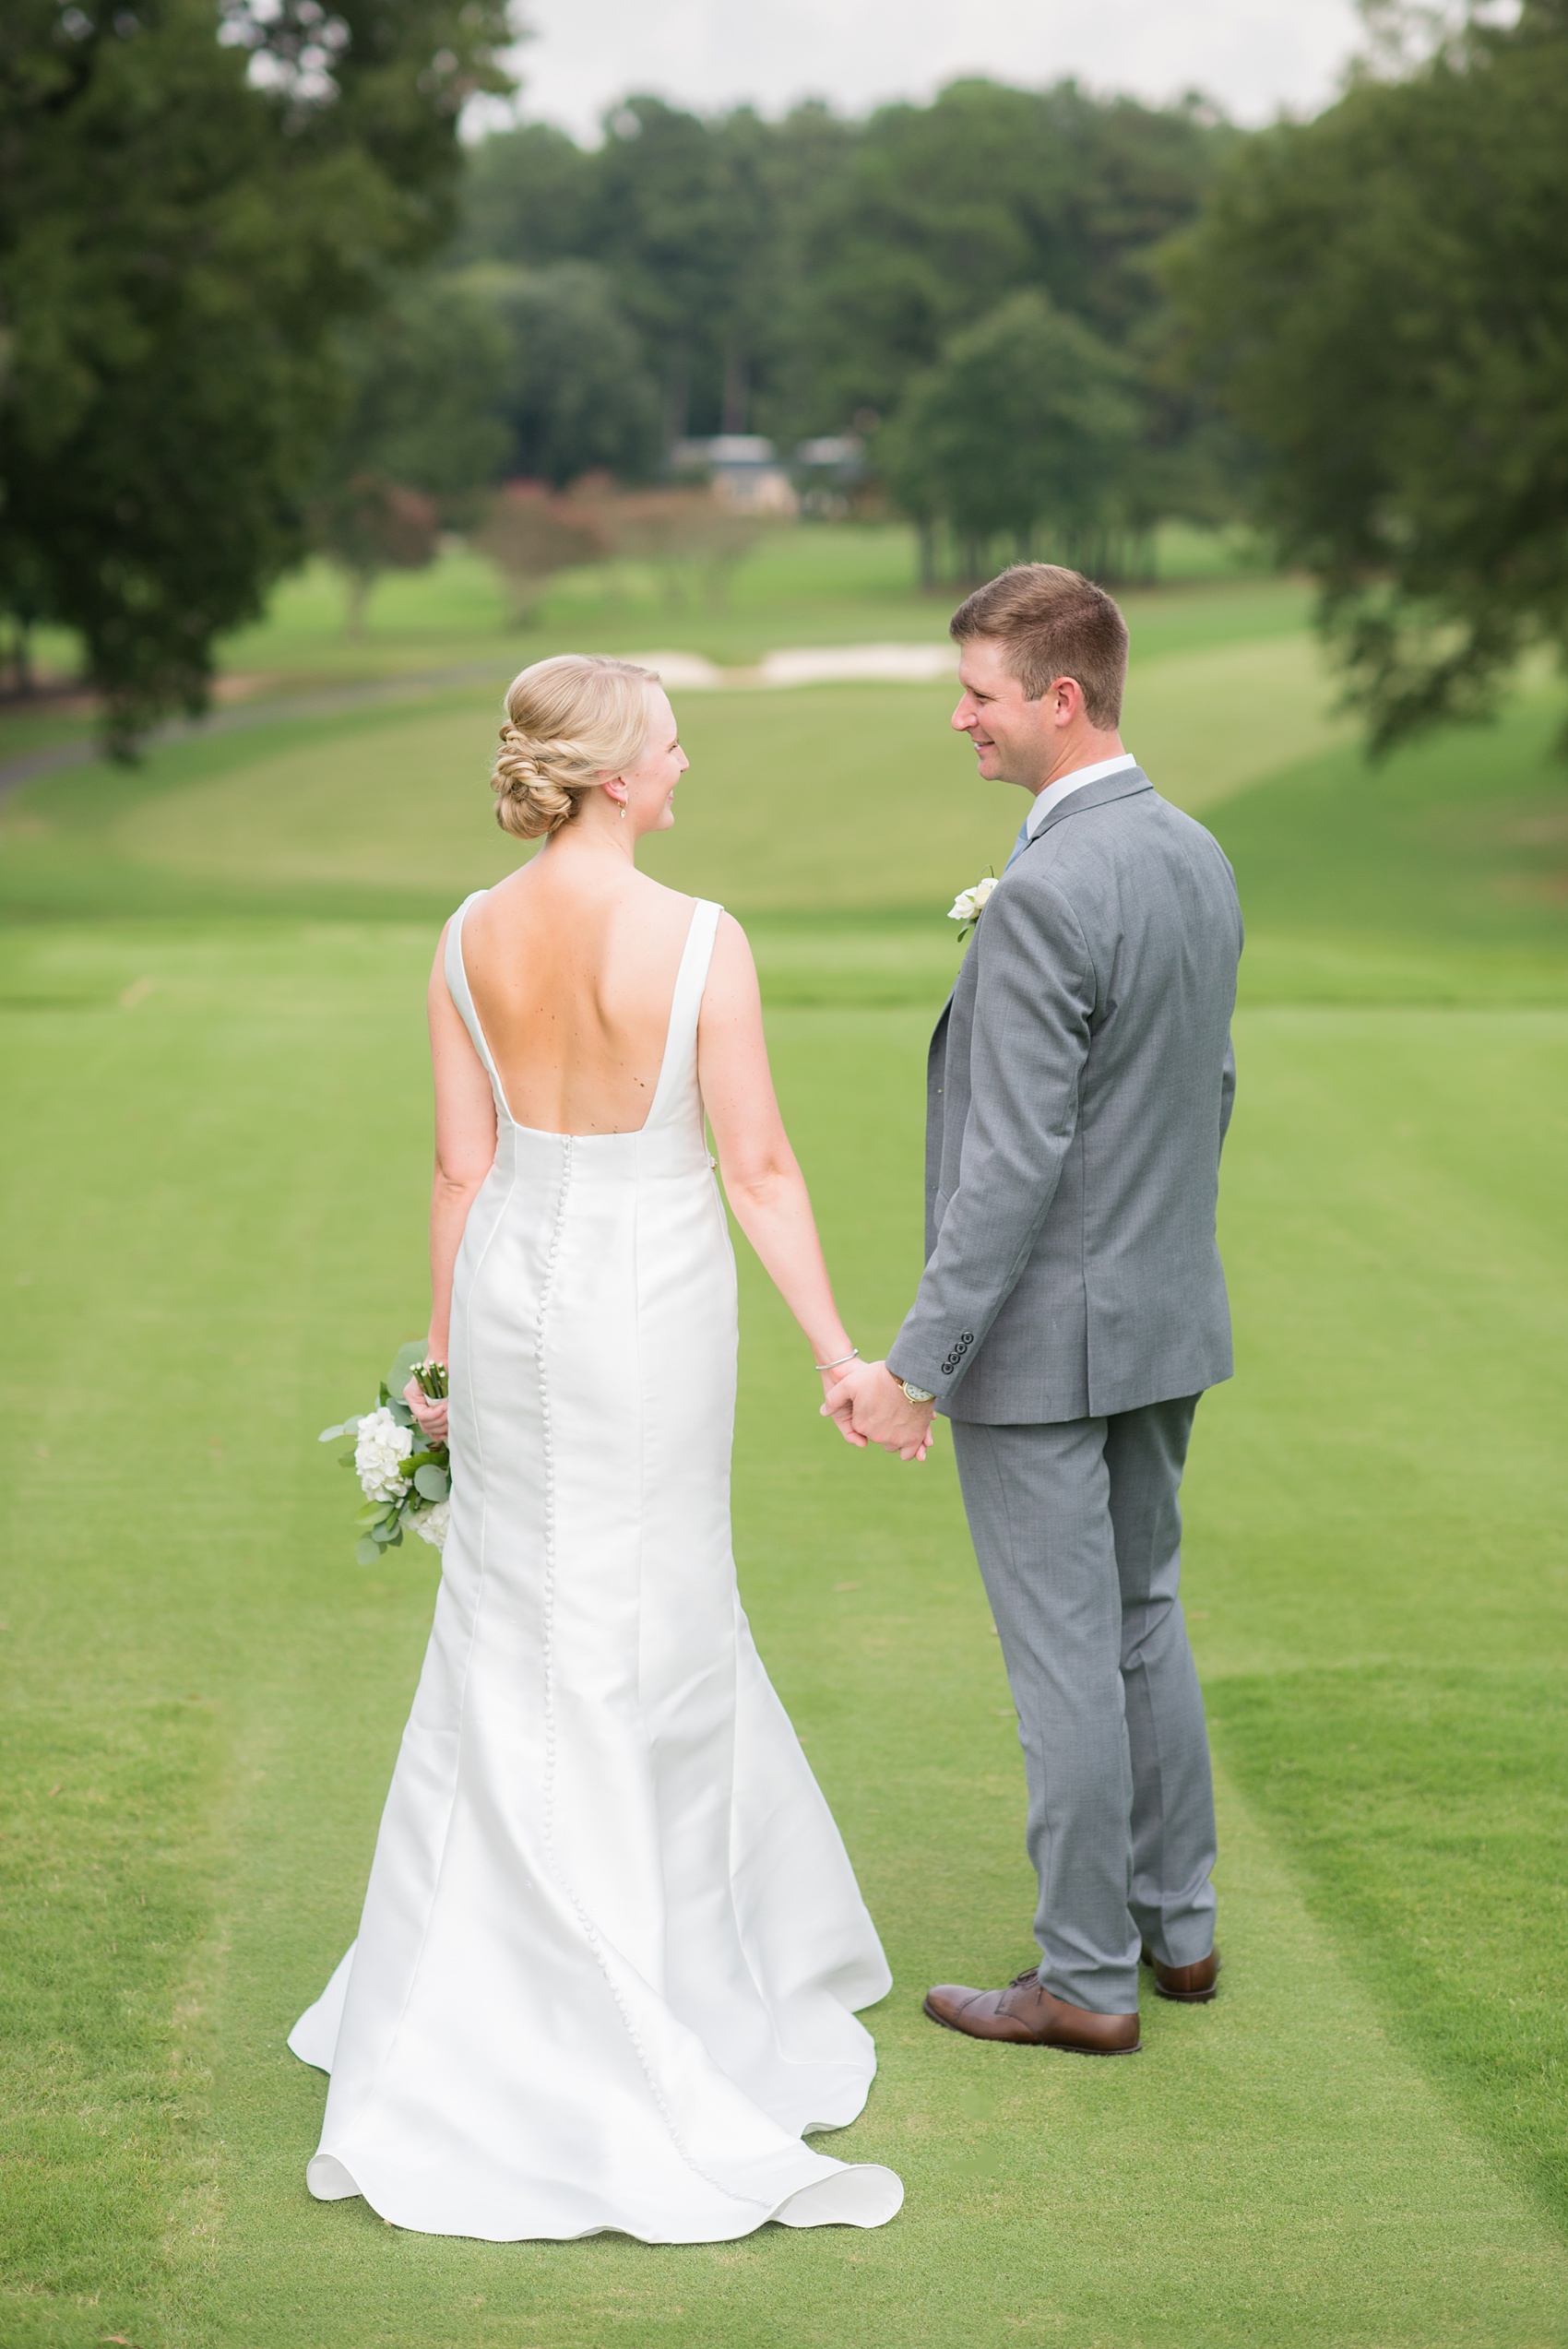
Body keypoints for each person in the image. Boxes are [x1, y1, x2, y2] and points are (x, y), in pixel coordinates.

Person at [290, 654, 904, 2240]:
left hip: (510, 1290)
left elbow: (454, 1169)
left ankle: (476, 1983)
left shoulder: (466, 933)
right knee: (653, 1610)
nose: (688, 764)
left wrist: (436, 1357)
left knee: (512, 1614)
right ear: (621, 773)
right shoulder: (699, 938)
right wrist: (842, 1353)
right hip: (650, 1300)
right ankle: (646, 1986)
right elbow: (757, 1167)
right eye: (675, 744)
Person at [825, 565, 1241, 2054]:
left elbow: (1004, 1174)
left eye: (982, 694)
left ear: (1062, 699)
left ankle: (1081, 1979)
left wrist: (912, 1369)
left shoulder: (1052, 888)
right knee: (1142, 1621)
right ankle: (1176, 1933)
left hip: (1048, 1347)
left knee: (1068, 1650)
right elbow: (1210, 1096)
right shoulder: (1195, 854)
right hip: (1164, 1315)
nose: (963, 718)